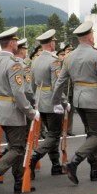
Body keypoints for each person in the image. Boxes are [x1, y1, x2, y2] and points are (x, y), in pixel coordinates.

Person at [51, 21, 97, 183]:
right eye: (93, 34)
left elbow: (60, 82)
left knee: (91, 134)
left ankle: (94, 169)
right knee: (96, 135)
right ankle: (74, 162)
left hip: (79, 100)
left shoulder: (69, 56)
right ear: (89, 37)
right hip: (94, 100)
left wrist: (56, 101)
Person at [0, 27, 40, 194]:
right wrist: (30, 112)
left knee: (15, 146)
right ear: (12, 43)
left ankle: (19, 182)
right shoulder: (13, 64)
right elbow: (19, 93)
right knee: (18, 148)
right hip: (13, 111)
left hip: (0, 110)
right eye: (16, 41)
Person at [27, 29, 65, 177]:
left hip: (40, 101)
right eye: (54, 41)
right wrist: (62, 102)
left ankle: (55, 165)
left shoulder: (35, 61)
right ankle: (35, 157)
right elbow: (57, 85)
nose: (55, 43)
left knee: (51, 135)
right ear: (50, 43)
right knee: (54, 135)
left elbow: (32, 86)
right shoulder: (54, 61)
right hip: (51, 101)